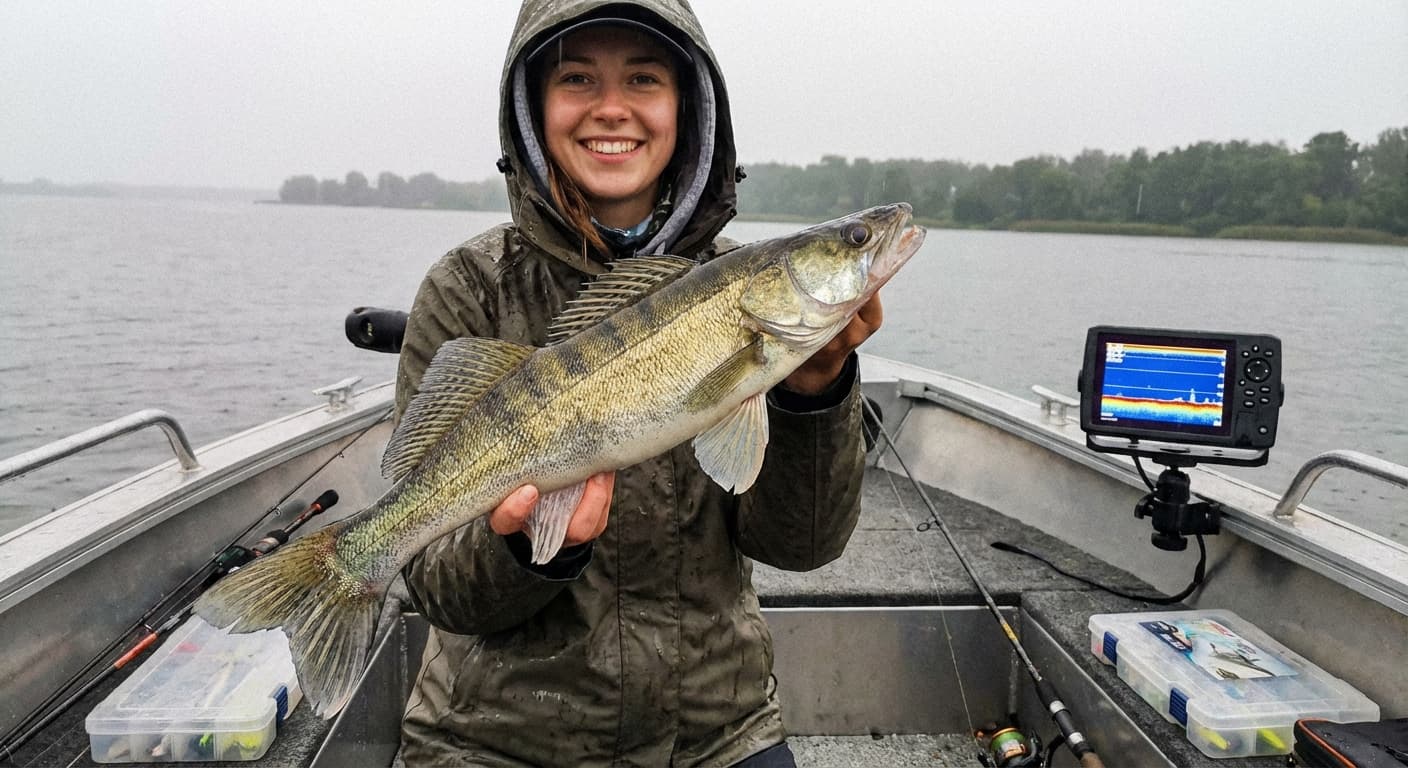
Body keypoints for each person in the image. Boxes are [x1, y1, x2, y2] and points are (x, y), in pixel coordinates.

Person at [394, 1, 883, 765]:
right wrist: (530, 550)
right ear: (532, 109)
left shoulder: (744, 293)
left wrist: (811, 396)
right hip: (497, 739)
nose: (612, 108)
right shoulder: (469, 289)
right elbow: (438, 588)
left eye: (644, 78)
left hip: (715, 732)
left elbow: (803, 547)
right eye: (577, 78)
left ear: (689, 108)